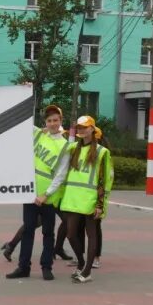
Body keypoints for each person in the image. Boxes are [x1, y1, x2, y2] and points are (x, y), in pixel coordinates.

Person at [6, 105, 71, 281]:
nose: (52, 123)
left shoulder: (65, 146)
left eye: (55, 120)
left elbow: (61, 175)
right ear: (45, 123)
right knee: (28, 230)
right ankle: (23, 267)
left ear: (60, 121)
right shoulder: (39, 135)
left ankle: (46, 267)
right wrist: (25, 93)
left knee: (48, 234)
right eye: (49, 121)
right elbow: (24, 120)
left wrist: (46, 194)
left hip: (48, 198)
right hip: (30, 193)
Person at [59, 116, 113, 283]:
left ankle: (87, 270)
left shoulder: (102, 152)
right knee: (70, 234)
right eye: (79, 127)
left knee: (92, 235)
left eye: (85, 127)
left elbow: (105, 179)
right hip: (72, 198)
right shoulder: (72, 148)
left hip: (90, 200)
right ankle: (82, 263)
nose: (82, 130)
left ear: (92, 129)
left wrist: (100, 204)